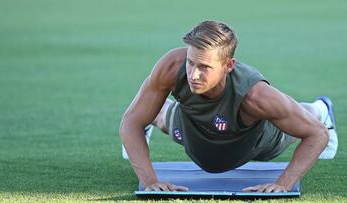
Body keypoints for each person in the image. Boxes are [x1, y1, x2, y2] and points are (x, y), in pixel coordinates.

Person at [119, 20, 338, 193]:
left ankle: (321, 109)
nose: (193, 74)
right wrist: (149, 180)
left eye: (204, 67)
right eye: (190, 62)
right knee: (155, 113)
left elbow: (316, 135)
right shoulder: (171, 68)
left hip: (258, 141)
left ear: (228, 66)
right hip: (194, 128)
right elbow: (131, 122)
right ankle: (153, 115)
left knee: (303, 119)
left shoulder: (256, 96)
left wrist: (284, 183)